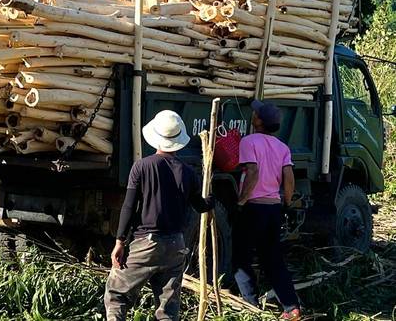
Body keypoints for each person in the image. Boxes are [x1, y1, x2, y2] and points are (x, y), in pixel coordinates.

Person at [104, 110, 215, 321]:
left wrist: (119, 241)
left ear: (155, 137)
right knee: (167, 309)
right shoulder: (189, 172)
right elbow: (200, 207)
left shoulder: (141, 167)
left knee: (117, 295)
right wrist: (211, 200)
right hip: (175, 245)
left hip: (146, 243)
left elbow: (129, 206)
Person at [232, 99, 302, 320]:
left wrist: (240, 204)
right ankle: (292, 307)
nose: (252, 115)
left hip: (254, 208)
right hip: (274, 208)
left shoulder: (249, 141)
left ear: (259, 121)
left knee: (241, 258)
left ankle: (250, 306)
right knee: (272, 259)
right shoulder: (282, 147)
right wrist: (288, 204)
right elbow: (289, 179)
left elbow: (252, 173)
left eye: (255, 114)